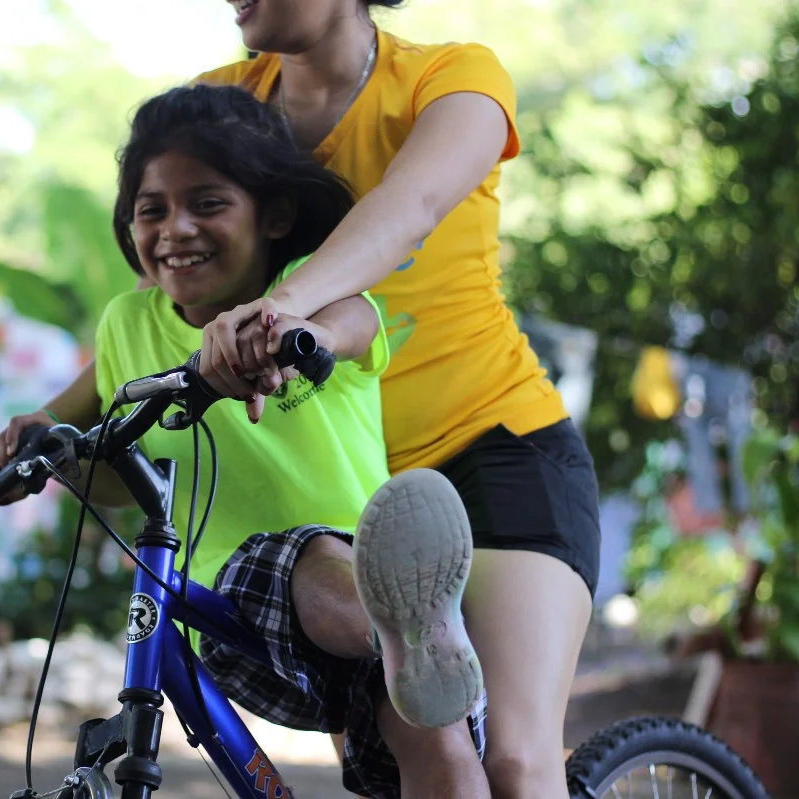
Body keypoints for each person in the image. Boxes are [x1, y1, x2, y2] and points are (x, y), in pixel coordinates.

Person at [0, 83, 491, 799]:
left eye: (207, 203)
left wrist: (302, 338)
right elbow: (74, 433)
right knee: (282, 559)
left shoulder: (304, 289)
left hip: (373, 589)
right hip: (236, 613)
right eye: (152, 209)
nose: (176, 228)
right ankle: (403, 632)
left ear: (273, 215)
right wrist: (24, 447)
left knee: (433, 742)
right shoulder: (127, 325)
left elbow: (354, 321)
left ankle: (412, 634)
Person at [190, 3, 602, 799]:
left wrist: (281, 308)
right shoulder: (221, 105)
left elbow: (405, 212)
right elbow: (161, 290)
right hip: (352, 493)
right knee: (396, 771)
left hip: (496, 449)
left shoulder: (455, 80)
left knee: (515, 759)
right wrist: (44, 418)